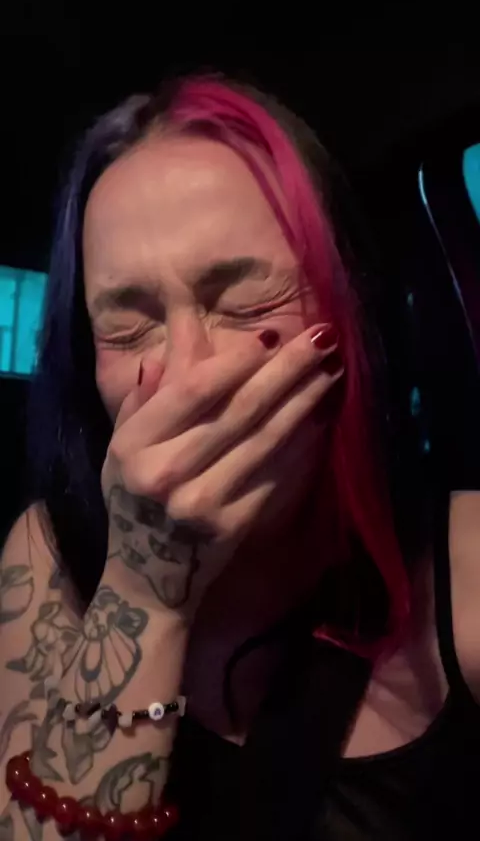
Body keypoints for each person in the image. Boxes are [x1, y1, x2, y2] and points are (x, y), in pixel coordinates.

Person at [0, 75, 479, 841]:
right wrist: (146, 590)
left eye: (249, 304)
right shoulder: (52, 553)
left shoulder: (465, 568)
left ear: (344, 307)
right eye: (127, 330)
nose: (189, 372)